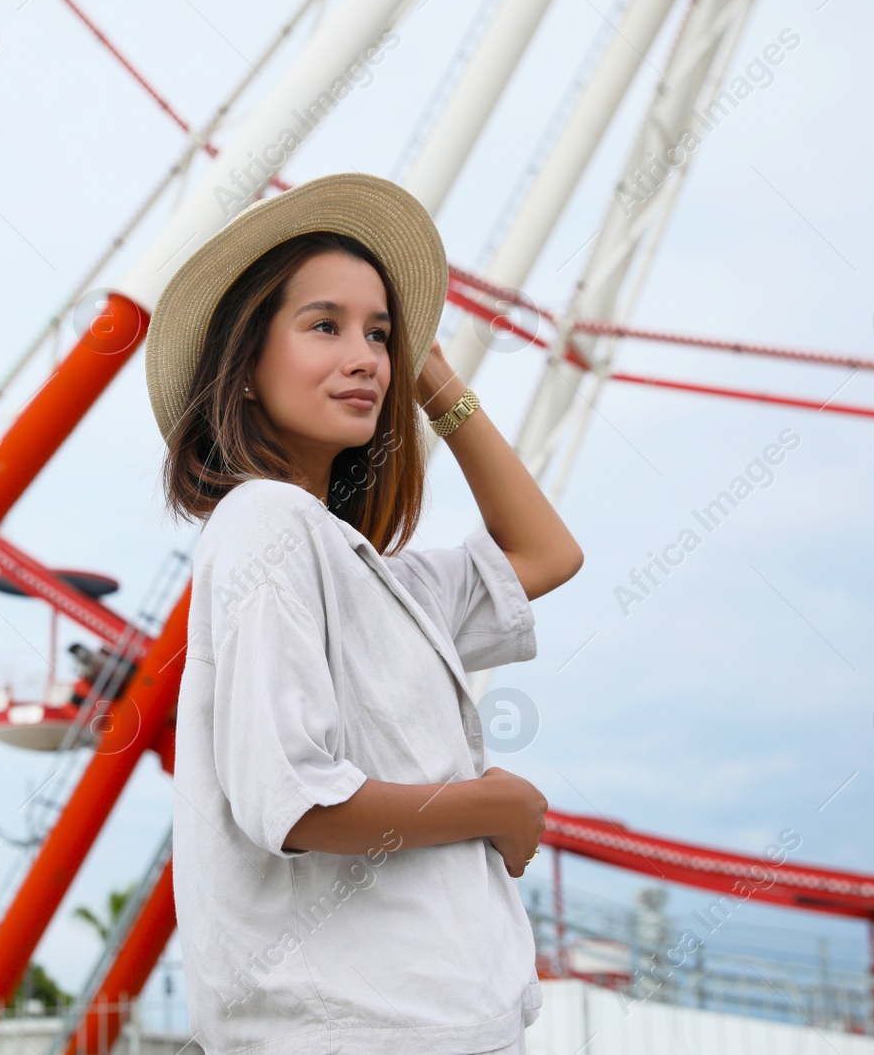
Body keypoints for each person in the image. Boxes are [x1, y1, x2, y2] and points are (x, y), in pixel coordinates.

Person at [148, 173, 583, 1054]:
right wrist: (491, 804)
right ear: (242, 369)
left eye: (379, 334)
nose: (366, 358)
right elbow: (296, 802)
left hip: (434, 1023)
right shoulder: (266, 524)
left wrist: (432, 370)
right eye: (324, 326)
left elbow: (546, 554)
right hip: (360, 1030)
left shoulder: (371, 575)